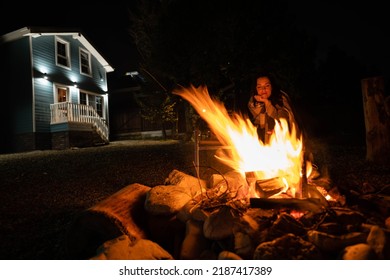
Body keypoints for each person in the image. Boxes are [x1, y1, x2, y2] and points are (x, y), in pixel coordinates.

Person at [247, 73, 299, 143]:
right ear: (255, 89)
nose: (263, 89)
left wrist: (267, 102)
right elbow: (258, 122)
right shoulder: (253, 103)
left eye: (267, 86)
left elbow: (283, 115)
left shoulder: (281, 98)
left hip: (285, 139)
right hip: (264, 141)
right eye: (259, 87)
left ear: (272, 87)